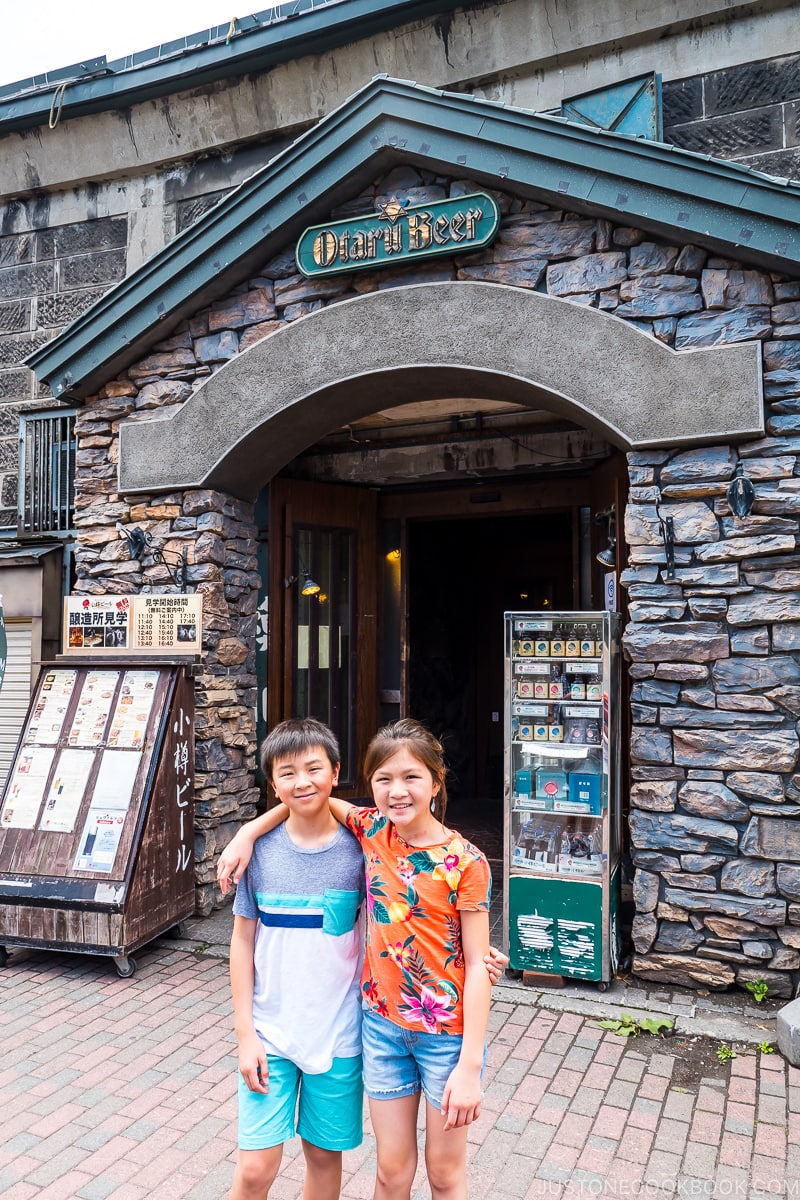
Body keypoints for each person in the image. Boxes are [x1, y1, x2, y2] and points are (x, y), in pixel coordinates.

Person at [219, 718, 498, 1200]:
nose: (397, 791)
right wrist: (248, 829)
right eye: (384, 780)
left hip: (444, 1035)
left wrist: (471, 1062)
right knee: (390, 1175)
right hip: (381, 1027)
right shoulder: (372, 832)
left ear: (437, 780)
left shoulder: (466, 861)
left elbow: (476, 962)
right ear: (369, 785)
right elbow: (310, 799)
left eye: (412, 777)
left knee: (445, 1175)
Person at [226, 717, 365, 1200]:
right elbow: (242, 942)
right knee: (255, 1170)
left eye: (313, 768)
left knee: (324, 1160)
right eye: (287, 773)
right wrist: (246, 1035)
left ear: (336, 771)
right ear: (272, 783)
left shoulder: (362, 849)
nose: (302, 781)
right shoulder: (259, 853)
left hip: (341, 1033)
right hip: (270, 1033)